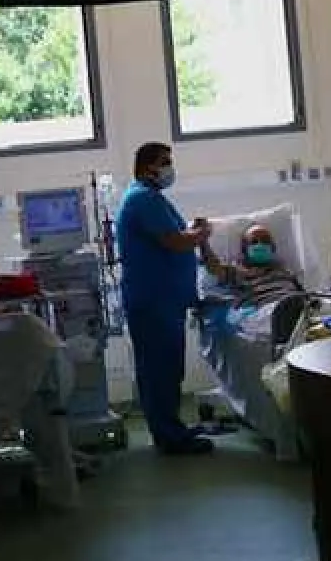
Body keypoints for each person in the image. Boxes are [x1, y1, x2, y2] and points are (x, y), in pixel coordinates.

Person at [116, 142, 214, 455]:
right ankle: (169, 436)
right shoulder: (143, 199)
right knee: (159, 371)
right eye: (165, 162)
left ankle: (171, 428)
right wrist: (202, 235)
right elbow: (173, 241)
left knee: (166, 369)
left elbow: (173, 234)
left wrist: (193, 233)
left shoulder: (151, 198)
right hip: (153, 301)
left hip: (162, 301)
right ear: (148, 167)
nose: (170, 168)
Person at [198, 224, 306, 311]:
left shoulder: (284, 270)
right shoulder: (237, 271)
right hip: (264, 312)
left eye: (265, 241)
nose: (260, 245)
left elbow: (303, 294)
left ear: (273, 247)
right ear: (245, 250)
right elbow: (213, 268)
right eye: (254, 242)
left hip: (298, 308)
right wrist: (203, 241)